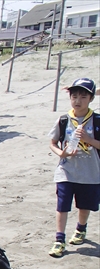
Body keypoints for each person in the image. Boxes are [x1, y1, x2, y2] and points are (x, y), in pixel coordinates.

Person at [47, 77, 100, 258]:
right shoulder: (63, 119)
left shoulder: (97, 120)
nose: (78, 101)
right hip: (66, 171)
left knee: (84, 206)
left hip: (91, 173)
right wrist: (60, 153)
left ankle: (80, 229)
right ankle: (59, 240)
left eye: (83, 97)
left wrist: (89, 140)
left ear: (91, 98)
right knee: (62, 206)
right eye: (74, 96)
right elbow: (53, 142)